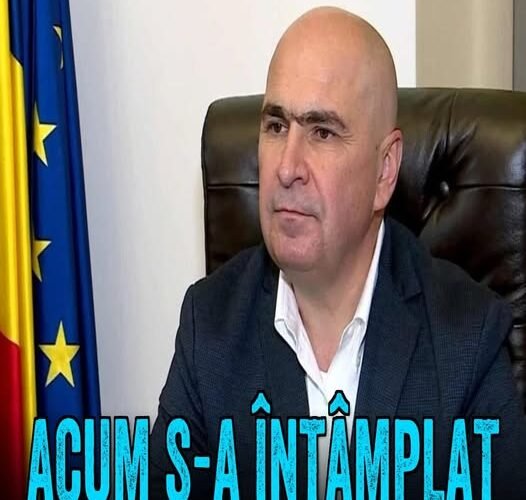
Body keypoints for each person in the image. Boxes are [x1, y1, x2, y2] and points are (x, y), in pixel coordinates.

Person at [150, 7, 526, 498]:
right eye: (276, 126)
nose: (287, 167)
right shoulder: (211, 324)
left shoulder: (467, 337)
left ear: (385, 170)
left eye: (322, 132)